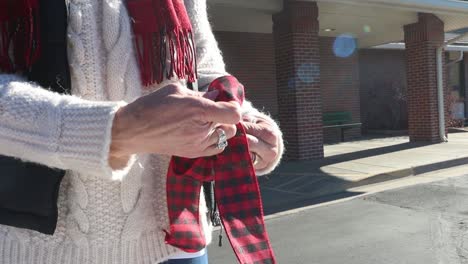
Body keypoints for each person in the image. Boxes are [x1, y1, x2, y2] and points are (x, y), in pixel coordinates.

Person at [0, 0, 284, 263]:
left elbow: (202, 71)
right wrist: (118, 130)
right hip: (39, 250)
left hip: (179, 244)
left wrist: (246, 125)